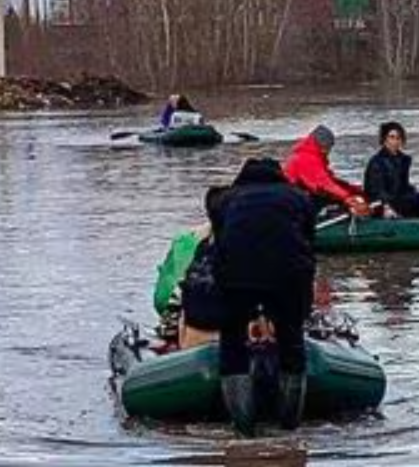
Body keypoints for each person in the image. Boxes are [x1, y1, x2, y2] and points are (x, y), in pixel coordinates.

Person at [211, 157, 317, 435]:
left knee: (232, 345)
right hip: (289, 276)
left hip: (236, 278)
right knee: (292, 343)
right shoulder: (298, 198)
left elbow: (219, 236)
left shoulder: (225, 200)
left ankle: (244, 429)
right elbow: (308, 238)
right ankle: (289, 428)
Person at [151, 186, 227, 351]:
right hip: (234, 347)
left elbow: (171, 301)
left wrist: (167, 335)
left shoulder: (197, 254)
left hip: (191, 345)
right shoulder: (248, 261)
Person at [282, 125, 369, 217]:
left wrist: (352, 189)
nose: (328, 151)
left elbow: (329, 180)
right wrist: (347, 197)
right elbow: (324, 184)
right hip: (295, 202)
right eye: (328, 148)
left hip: (300, 196)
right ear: (321, 145)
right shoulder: (306, 158)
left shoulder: (312, 155)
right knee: (333, 199)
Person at [362, 121, 419, 218]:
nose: (395, 141)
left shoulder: (403, 160)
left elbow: (404, 185)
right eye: (391, 137)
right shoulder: (376, 162)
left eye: (398, 138)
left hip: (399, 199)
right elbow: (376, 191)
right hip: (384, 203)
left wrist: (414, 191)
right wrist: (387, 205)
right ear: (384, 139)